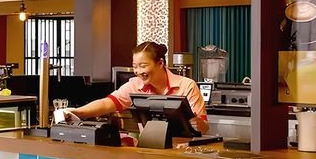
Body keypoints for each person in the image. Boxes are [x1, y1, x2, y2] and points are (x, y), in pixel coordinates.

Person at [64, 41, 209, 134]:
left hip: (184, 149)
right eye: (135, 67)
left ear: (160, 64)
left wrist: (199, 124)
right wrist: (77, 112)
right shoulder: (135, 84)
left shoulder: (187, 85)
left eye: (143, 66)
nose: (138, 71)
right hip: (150, 149)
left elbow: (204, 127)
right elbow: (107, 103)